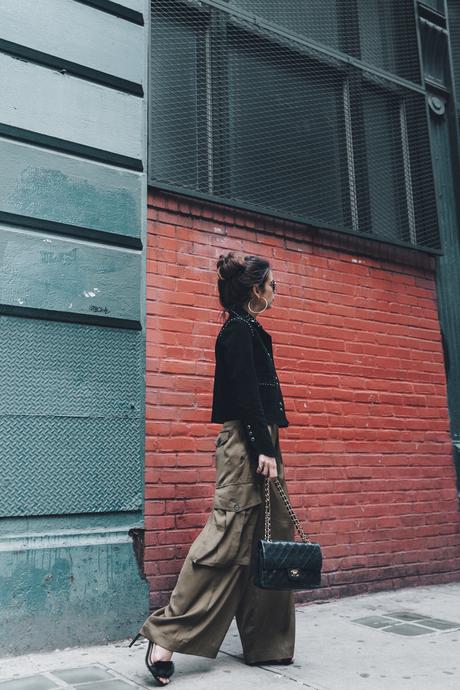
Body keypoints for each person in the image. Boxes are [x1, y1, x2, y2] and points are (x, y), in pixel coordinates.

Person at [129, 252, 296, 686]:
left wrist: (270, 446)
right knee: (228, 537)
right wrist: (263, 448)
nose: (276, 290)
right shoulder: (237, 333)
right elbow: (244, 396)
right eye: (272, 283)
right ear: (256, 289)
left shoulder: (254, 331)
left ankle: (267, 642)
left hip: (261, 441)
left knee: (272, 537)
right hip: (248, 443)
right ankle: (165, 635)